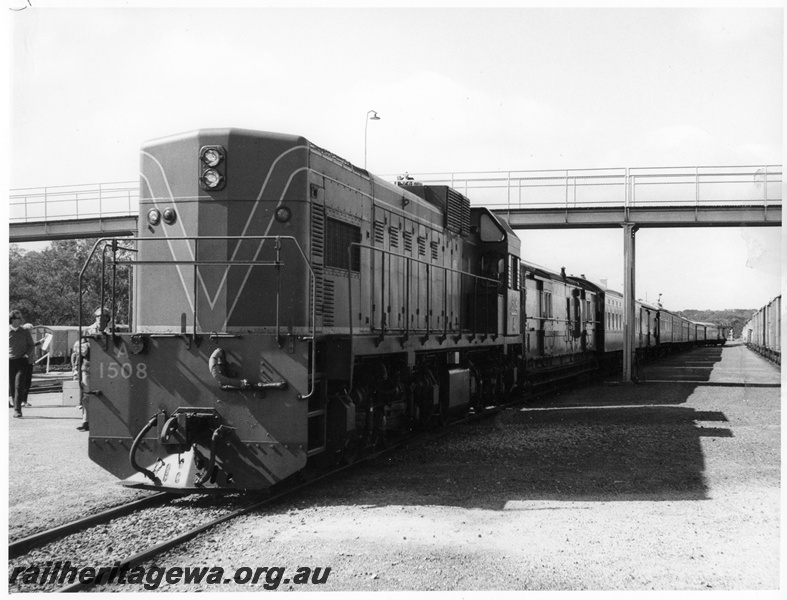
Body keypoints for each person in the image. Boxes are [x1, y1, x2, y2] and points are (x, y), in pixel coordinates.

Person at [72, 308, 110, 432]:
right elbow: (78, 347)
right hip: (89, 366)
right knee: (87, 394)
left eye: (103, 317)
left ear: (107, 318)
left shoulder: (113, 331)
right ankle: (86, 421)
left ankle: (105, 421)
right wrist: (83, 347)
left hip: (108, 368)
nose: (100, 319)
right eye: (98, 317)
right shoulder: (88, 330)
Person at [9, 310, 35, 418]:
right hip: (9, 361)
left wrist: (26, 355)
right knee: (11, 386)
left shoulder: (24, 331)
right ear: (11, 320)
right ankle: (15, 405)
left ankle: (17, 410)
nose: (19, 321)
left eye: (20, 319)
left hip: (21, 361)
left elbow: (31, 345)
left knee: (19, 385)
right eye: (16, 319)